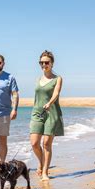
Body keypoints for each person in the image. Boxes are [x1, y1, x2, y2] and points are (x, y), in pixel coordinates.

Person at [29, 50, 64, 181]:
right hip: (37, 113)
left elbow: (56, 93)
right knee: (34, 143)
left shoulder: (57, 78)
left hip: (52, 112)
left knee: (46, 144)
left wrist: (50, 103)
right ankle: (41, 162)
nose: (44, 64)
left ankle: (45, 172)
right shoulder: (38, 79)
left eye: (46, 62)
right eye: (41, 62)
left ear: (52, 63)